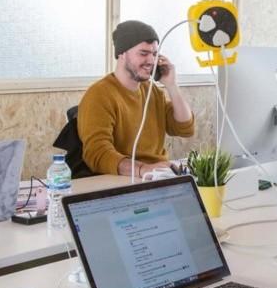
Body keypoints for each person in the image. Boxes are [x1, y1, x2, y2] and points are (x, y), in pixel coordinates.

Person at [79, 20, 195, 177]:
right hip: (124, 179)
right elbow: (97, 153)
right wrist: (142, 169)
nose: (151, 61)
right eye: (143, 53)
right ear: (122, 54)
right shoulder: (99, 95)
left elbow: (185, 128)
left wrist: (171, 85)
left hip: (158, 175)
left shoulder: (152, 92)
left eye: (154, 54)